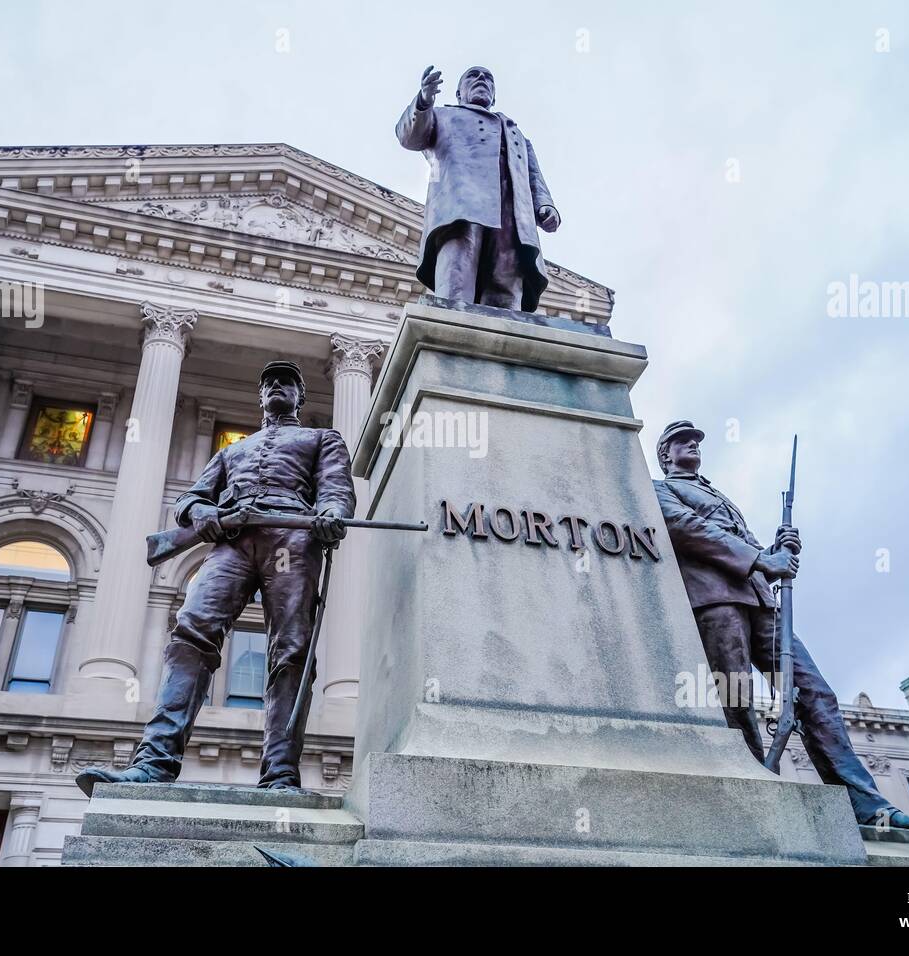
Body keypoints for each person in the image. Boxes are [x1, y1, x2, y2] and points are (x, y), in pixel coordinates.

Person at [76, 360, 356, 797]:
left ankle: (280, 774)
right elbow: (190, 499)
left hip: (290, 538)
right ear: (260, 396)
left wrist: (333, 514)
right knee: (191, 633)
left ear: (302, 396)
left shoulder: (323, 439)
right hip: (232, 541)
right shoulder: (231, 452)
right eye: (269, 383)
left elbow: (336, 490)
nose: (277, 387)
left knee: (292, 651)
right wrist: (202, 512)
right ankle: (153, 763)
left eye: (287, 382)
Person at [653, 420, 909, 830]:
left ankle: (868, 805)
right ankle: (755, 791)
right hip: (716, 601)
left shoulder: (717, 493)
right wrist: (760, 559)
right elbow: (688, 529)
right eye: (683, 442)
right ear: (666, 454)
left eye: (696, 441)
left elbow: (747, 547)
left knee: (814, 693)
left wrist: (776, 549)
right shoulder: (659, 488)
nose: (694, 446)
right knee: (736, 699)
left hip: (759, 599)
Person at [396, 65, 560, 313]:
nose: (482, 79)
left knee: (505, 294)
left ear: (493, 97)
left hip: (511, 219)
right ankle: (449, 340)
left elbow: (533, 175)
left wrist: (544, 205)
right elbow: (410, 137)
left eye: (488, 78)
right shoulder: (441, 115)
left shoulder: (515, 133)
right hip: (459, 211)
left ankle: (501, 346)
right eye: (473, 76)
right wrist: (423, 100)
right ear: (459, 93)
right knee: (455, 285)